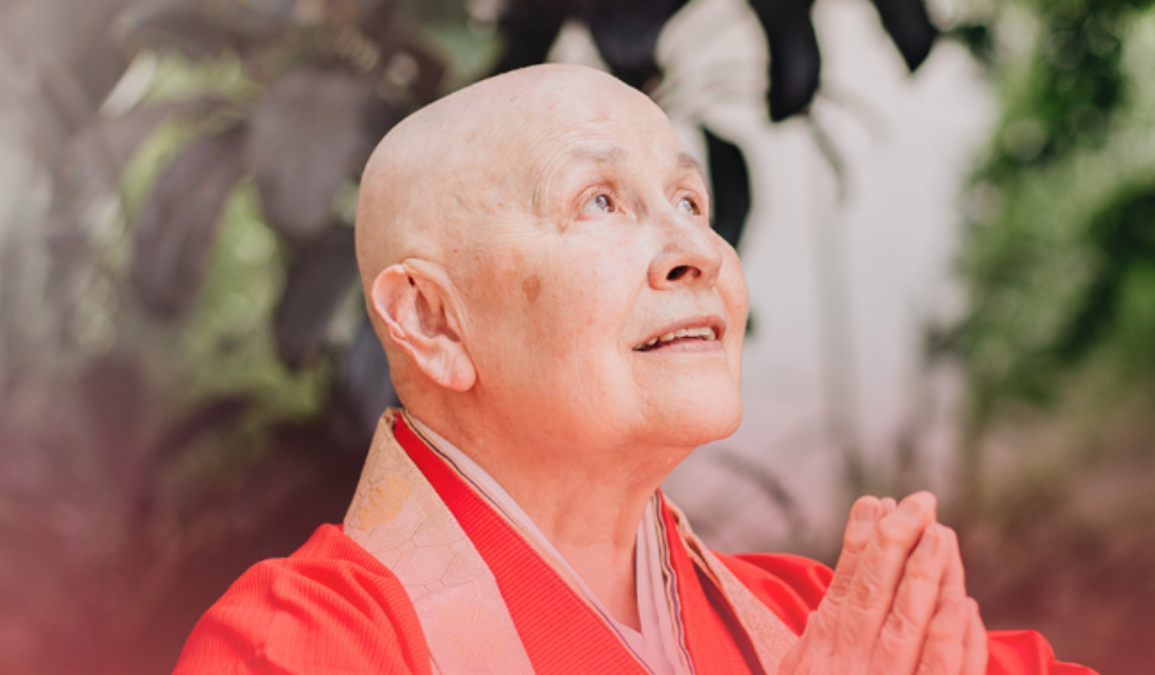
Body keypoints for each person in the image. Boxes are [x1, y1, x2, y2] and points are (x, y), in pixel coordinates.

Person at [172, 64, 1095, 675]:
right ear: (431, 319)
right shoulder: (303, 644)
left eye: (690, 200)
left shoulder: (823, 620)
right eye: (599, 201)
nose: (697, 248)